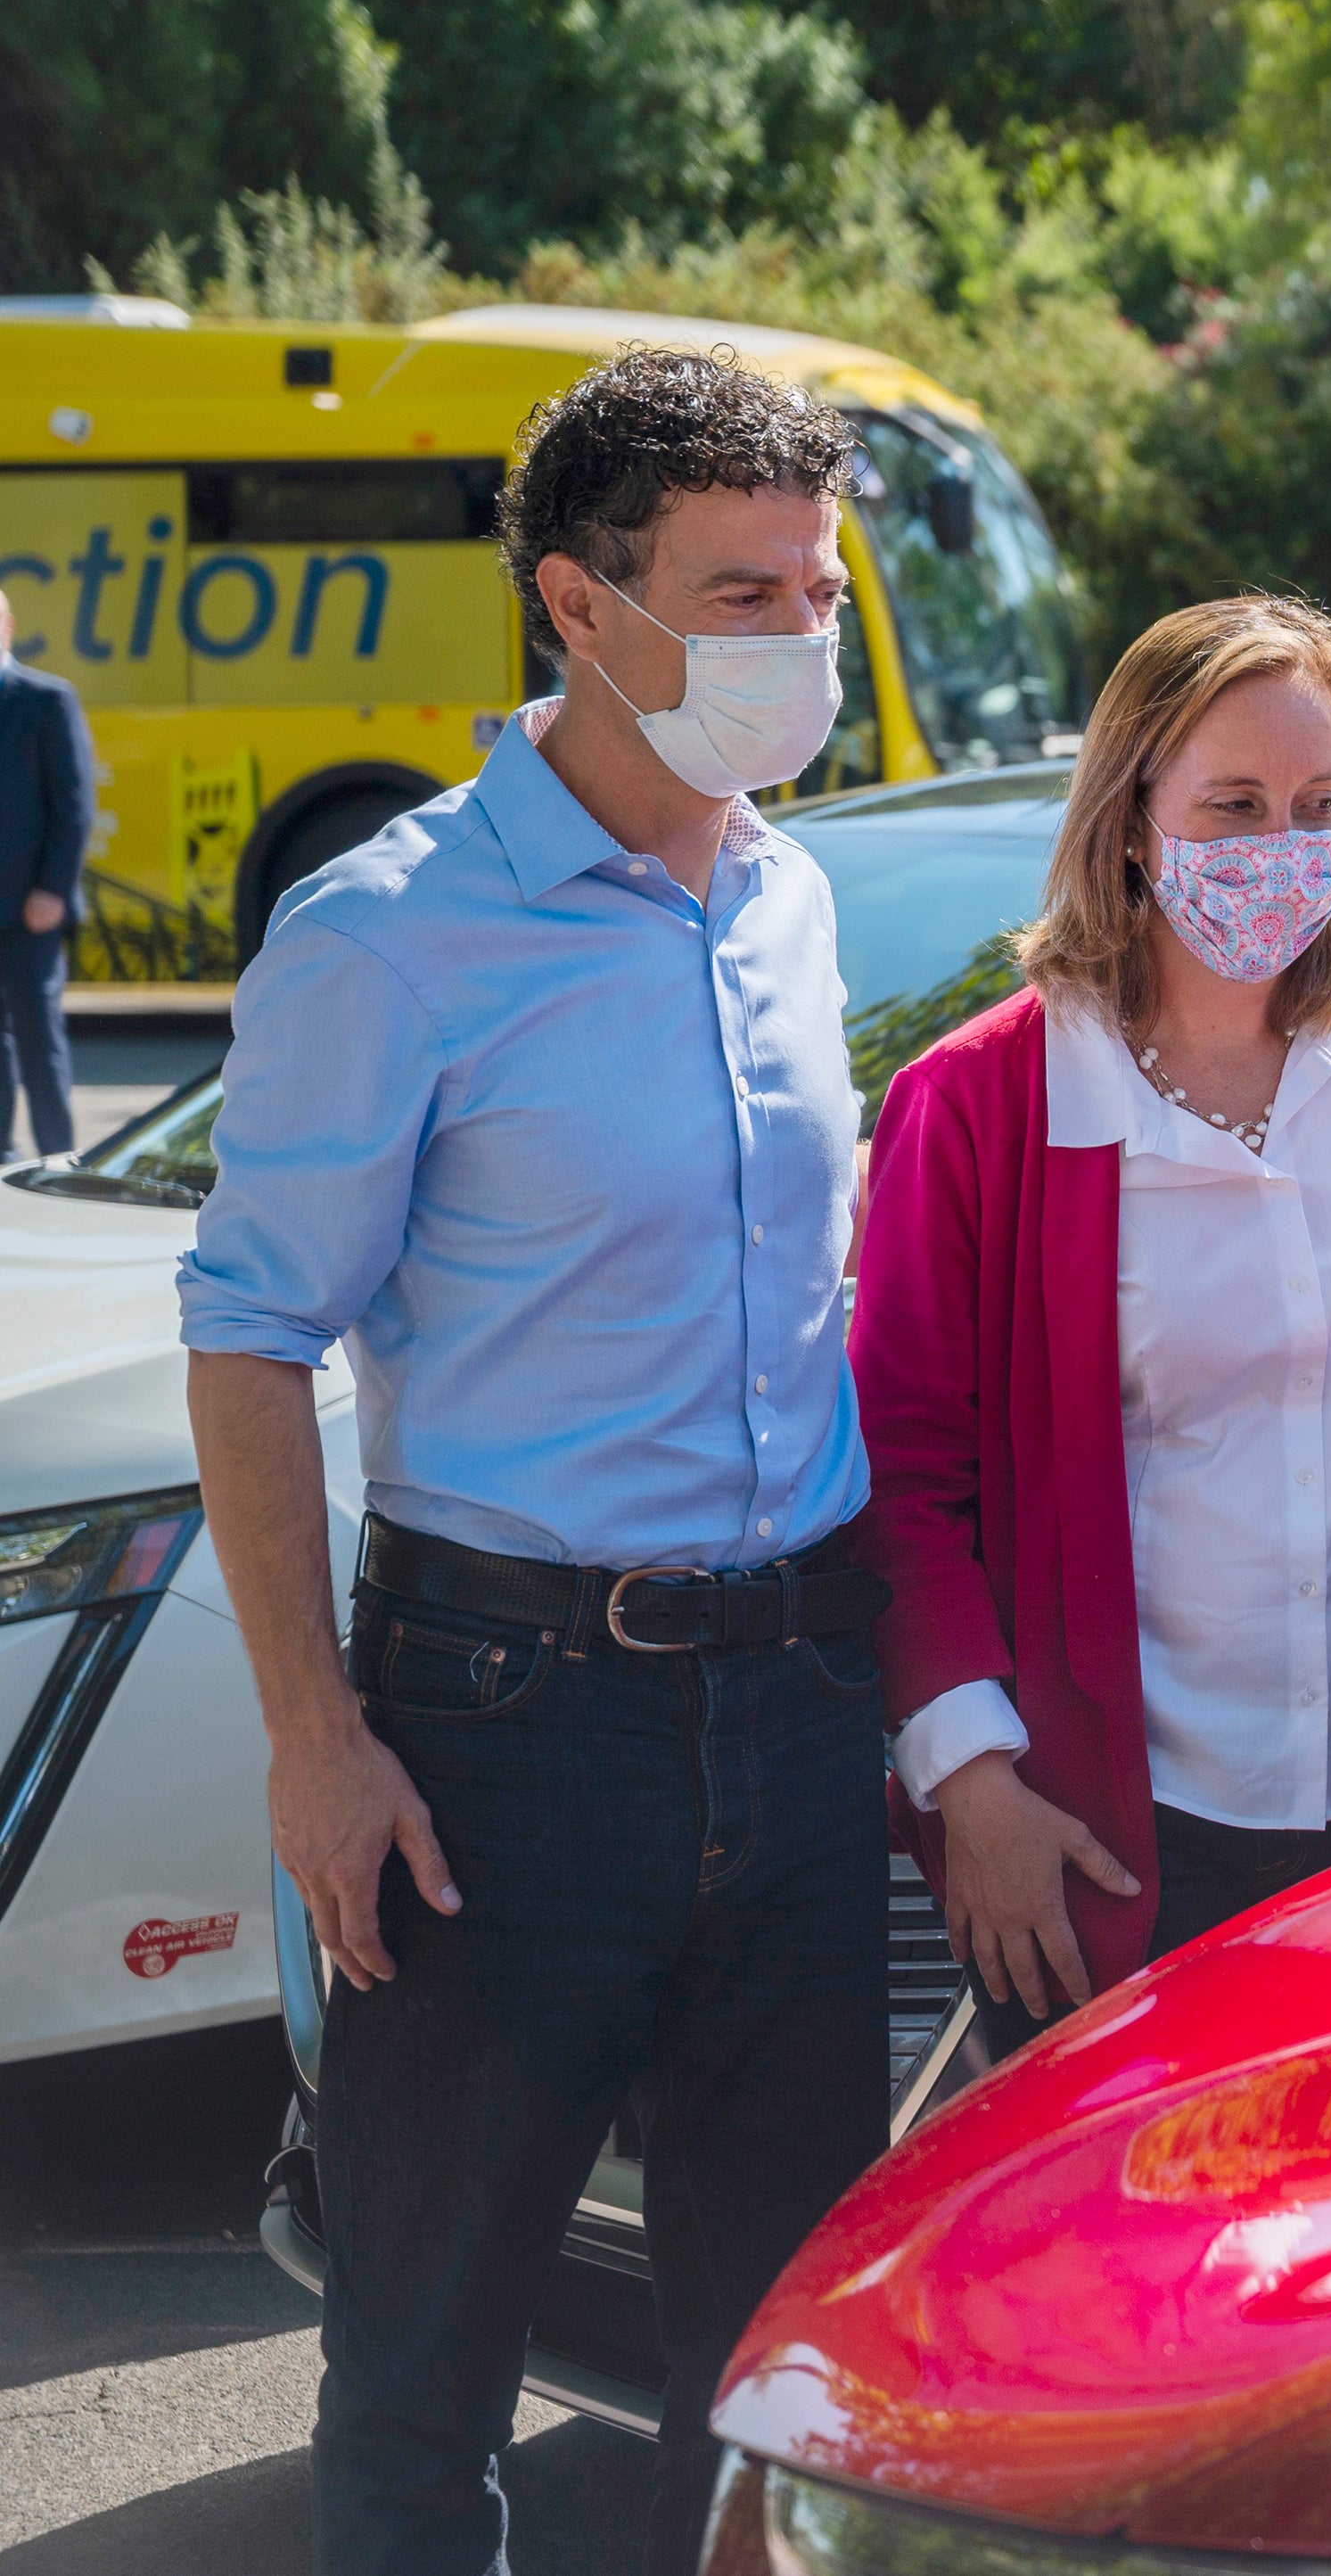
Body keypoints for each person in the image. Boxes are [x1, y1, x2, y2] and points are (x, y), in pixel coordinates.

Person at [174, 349, 881, 2576]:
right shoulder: (388, 934)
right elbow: (251, 1327)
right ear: (578, 604)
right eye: (741, 589)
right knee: (423, 2370)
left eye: (817, 584)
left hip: (790, 1706)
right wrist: (315, 1733)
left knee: (773, 2375)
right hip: (504, 1731)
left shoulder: (791, 896)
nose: (801, 638)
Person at [853, 596, 1331, 2028]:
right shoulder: (979, 1105)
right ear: (1128, 821)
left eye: (1320, 804)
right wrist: (973, 1784)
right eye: (1232, 804)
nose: (1281, 844)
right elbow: (902, 1480)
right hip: (1130, 1832)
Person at [0, 582, 95, 1159]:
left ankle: (60, 1162)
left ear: (6, 629)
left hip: (32, 909)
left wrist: (53, 889)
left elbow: (74, 804)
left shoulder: (46, 699)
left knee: (38, 1040)